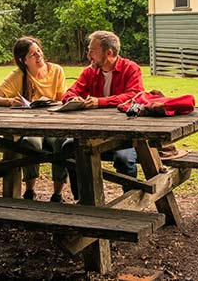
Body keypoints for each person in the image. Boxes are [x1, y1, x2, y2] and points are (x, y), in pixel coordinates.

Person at [61, 30, 144, 198]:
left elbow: (135, 95)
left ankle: (131, 202)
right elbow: (68, 93)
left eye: (92, 50)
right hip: (94, 133)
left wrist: (100, 102)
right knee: (69, 147)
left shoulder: (131, 69)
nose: (88, 55)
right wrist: (73, 98)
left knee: (123, 158)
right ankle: (84, 199)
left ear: (108, 53)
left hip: (125, 134)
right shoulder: (89, 72)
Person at [0, 36, 68, 202]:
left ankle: (57, 194)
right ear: (23, 61)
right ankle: (30, 191)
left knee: (63, 144)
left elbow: (62, 100)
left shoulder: (56, 70)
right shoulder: (19, 76)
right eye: (33, 55)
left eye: (39, 51)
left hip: (54, 124)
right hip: (30, 127)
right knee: (30, 144)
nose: (39, 56)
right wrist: (9, 101)